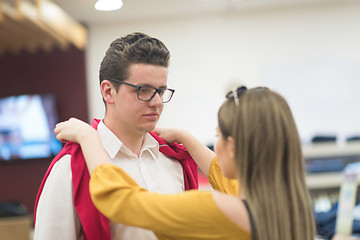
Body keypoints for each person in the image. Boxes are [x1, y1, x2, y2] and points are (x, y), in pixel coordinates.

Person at [54, 86, 317, 240]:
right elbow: (227, 180)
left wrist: (89, 138)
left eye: (218, 138)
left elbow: (123, 201)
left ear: (233, 146)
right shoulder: (290, 211)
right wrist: (185, 138)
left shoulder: (218, 209)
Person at [33, 32, 198, 240]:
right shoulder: (70, 168)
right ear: (108, 92)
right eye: (144, 90)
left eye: (161, 91)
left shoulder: (174, 161)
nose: (156, 102)